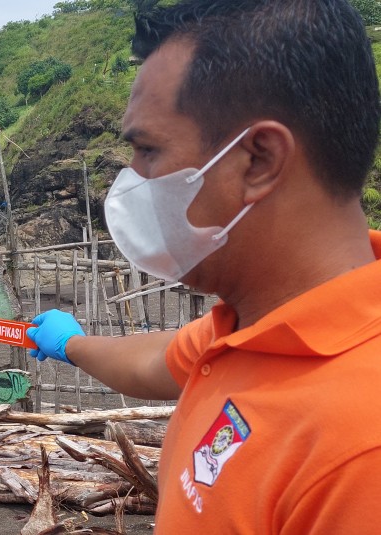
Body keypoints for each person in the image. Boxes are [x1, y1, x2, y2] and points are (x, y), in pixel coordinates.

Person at [25, 1, 381, 533]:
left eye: (147, 149)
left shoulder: (359, 454)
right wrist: (69, 344)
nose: (130, 179)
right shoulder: (254, 329)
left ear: (258, 159)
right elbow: (158, 360)